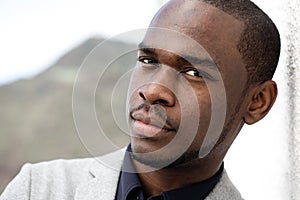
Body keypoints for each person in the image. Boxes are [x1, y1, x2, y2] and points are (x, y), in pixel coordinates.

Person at [0, 0, 280, 199]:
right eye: (148, 60)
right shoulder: (37, 189)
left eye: (193, 72)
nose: (153, 91)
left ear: (257, 102)